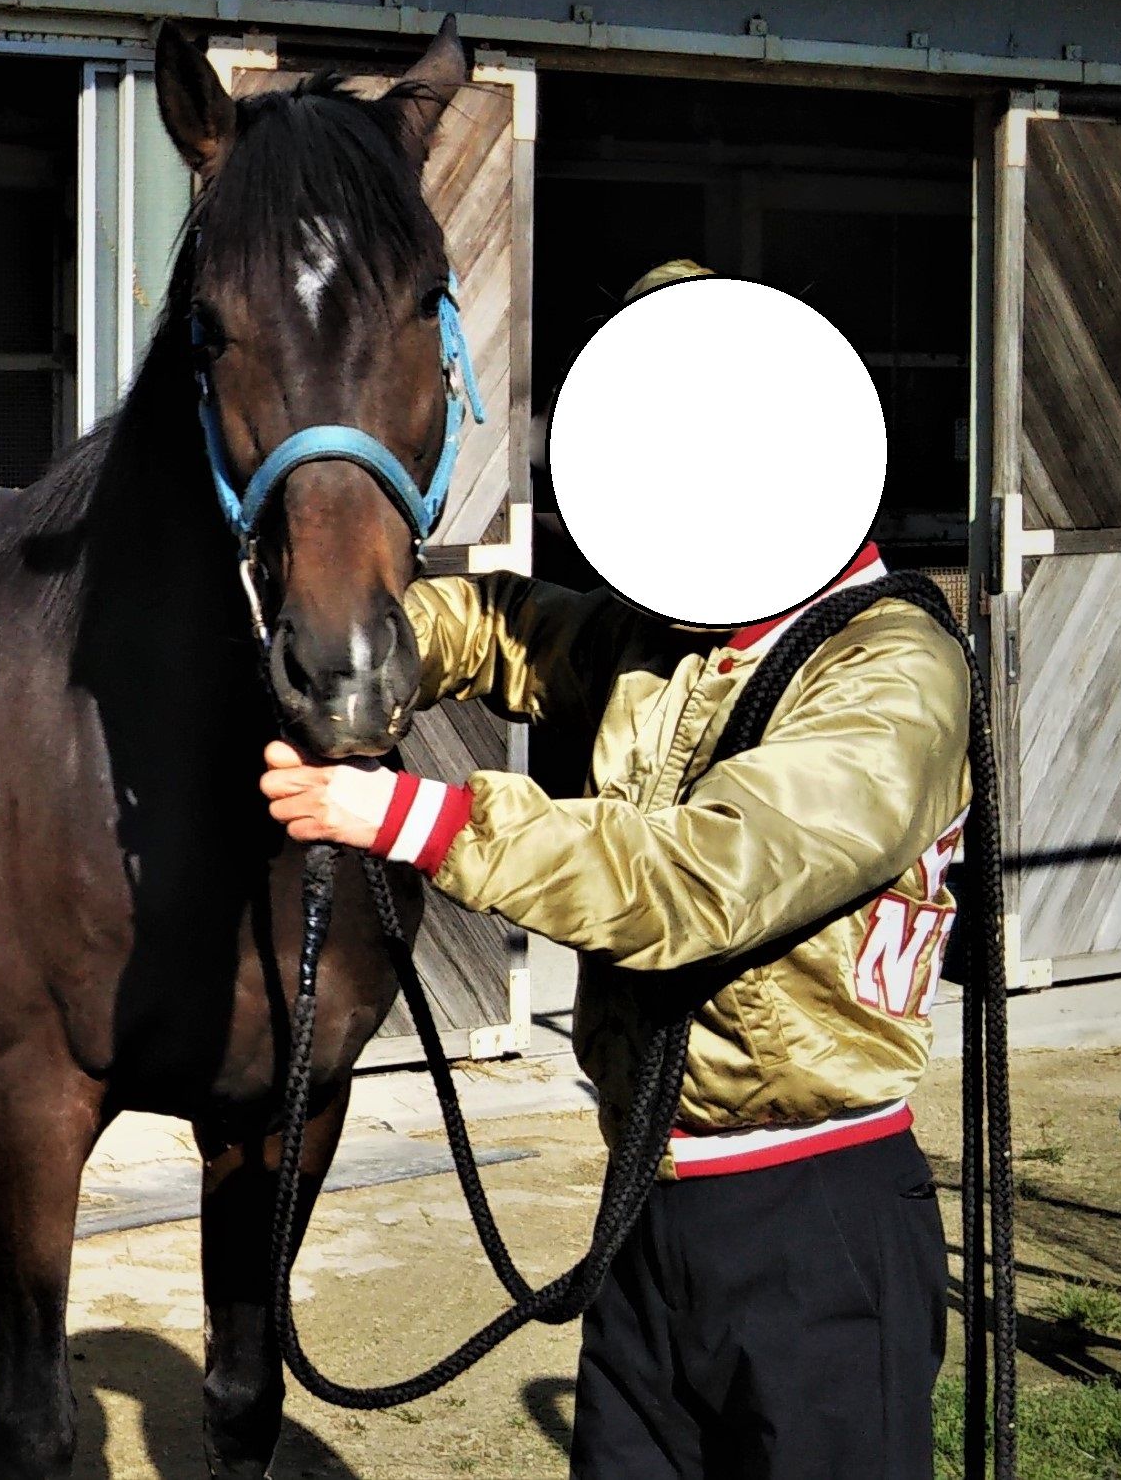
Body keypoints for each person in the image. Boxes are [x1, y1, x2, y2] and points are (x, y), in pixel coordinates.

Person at [260, 262, 970, 1480]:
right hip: (649, 1200)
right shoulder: (673, 635)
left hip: (819, 1213)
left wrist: (417, 819)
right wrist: (371, 648)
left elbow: (702, 875)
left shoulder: (888, 675)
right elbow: (496, 625)